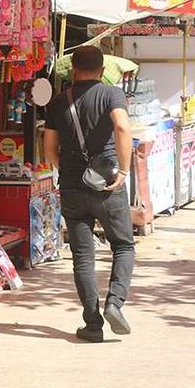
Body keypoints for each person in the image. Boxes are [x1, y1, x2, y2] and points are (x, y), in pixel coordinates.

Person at [43, 46, 135, 341]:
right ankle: (115, 304)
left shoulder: (58, 102)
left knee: (83, 256)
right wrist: (124, 170)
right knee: (123, 246)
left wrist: (66, 168)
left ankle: (93, 325)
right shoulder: (112, 94)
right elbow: (122, 127)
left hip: (72, 185)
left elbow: (49, 149)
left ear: (73, 70)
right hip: (107, 184)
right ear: (103, 69)